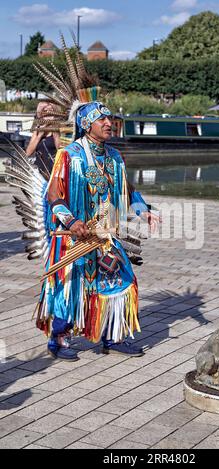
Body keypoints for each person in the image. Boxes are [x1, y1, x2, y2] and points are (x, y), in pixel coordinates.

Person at [36, 101, 161, 361]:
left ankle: (113, 336)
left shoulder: (115, 157)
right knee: (71, 287)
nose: (108, 124)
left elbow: (127, 190)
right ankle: (59, 339)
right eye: (101, 120)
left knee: (123, 282)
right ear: (86, 125)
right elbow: (54, 194)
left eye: (109, 119)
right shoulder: (69, 155)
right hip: (74, 239)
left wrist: (143, 210)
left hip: (105, 237)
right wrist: (71, 222)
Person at [26, 101, 61, 177]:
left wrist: (55, 132)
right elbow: (28, 152)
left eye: (50, 112)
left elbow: (61, 149)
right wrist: (39, 135)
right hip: (39, 171)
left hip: (54, 170)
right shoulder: (37, 129)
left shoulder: (58, 128)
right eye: (45, 111)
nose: (47, 114)